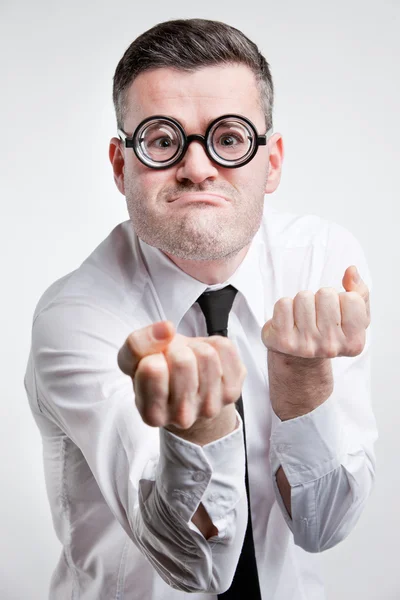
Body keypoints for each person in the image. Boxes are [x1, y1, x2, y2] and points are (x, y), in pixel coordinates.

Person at [24, 18, 378, 600]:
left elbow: (323, 527)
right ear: (120, 164)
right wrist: (197, 432)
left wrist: (303, 379)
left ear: (274, 161)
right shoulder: (76, 317)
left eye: (230, 137)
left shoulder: (323, 264)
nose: (197, 166)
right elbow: (197, 570)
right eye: (163, 140)